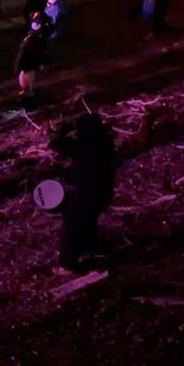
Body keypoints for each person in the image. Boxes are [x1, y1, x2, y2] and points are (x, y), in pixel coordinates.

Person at [50, 113, 118, 273]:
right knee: (88, 222)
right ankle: (93, 247)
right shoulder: (104, 142)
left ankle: (68, 264)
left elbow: (58, 144)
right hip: (102, 192)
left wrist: (60, 132)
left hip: (87, 194)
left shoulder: (87, 146)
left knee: (73, 226)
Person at [15, 17, 48, 100]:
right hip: (26, 63)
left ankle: (28, 95)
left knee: (28, 80)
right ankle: (27, 94)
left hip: (29, 63)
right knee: (25, 80)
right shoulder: (31, 37)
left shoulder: (36, 37)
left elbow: (39, 51)